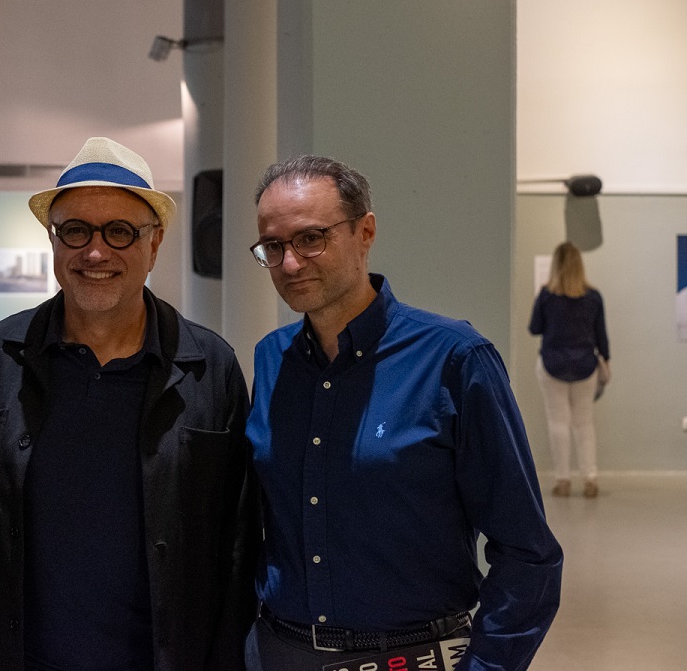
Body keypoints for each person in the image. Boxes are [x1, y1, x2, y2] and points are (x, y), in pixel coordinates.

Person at [244, 156, 562, 671]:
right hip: (280, 651)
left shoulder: (454, 358)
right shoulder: (271, 359)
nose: (291, 264)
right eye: (273, 247)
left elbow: (527, 552)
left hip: (412, 655)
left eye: (310, 239)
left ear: (365, 232)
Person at [0, 137, 259, 671]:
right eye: (76, 230)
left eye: (120, 231)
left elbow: (237, 545)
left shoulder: (211, 368)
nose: (95, 253)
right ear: (53, 241)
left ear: (154, 244)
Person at [529, 241, 610, 498]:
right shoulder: (593, 297)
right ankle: (590, 477)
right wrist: (606, 361)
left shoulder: (546, 295)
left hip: (552, 365)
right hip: (585, 366)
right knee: (584, 423)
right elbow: (601, 335)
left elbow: (534, 328)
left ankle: (562, 479)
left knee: (558, 421)